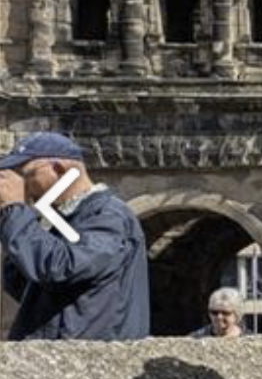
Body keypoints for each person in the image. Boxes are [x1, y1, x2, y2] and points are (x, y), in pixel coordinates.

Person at [0, 131, 150, 342]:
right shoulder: (57, 218)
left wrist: (15, 210)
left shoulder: (108, 216)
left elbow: (60, 268)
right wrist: (17, 218)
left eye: (25, 175)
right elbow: (25, 286)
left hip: (91, 360)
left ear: (58, 169)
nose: (21, 185)